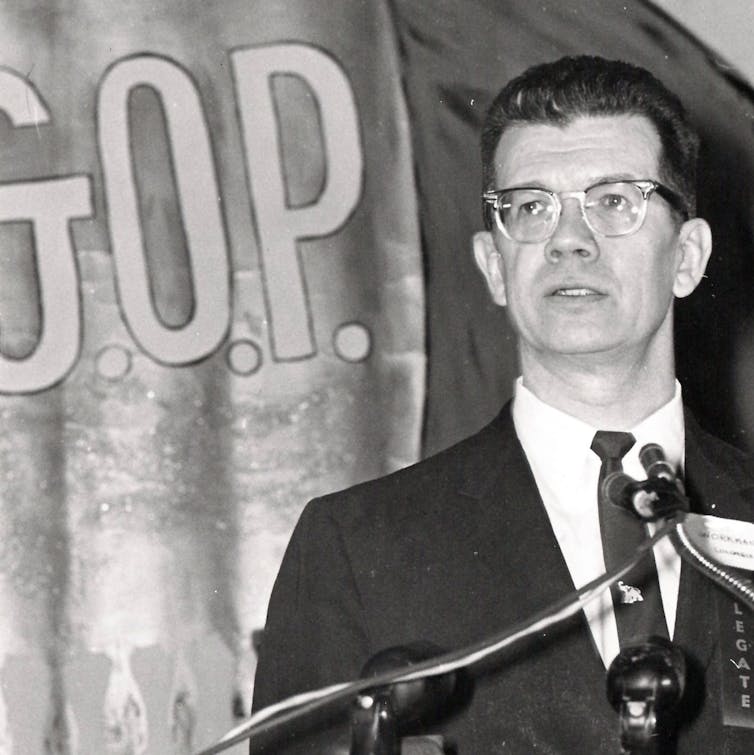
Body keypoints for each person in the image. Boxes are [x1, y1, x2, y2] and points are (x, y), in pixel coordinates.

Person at [251, 56, 754, 753]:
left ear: (688, 257)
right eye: (531, 208)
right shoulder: (355, 547)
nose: (570, 240)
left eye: (614, 201)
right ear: (494, 265)